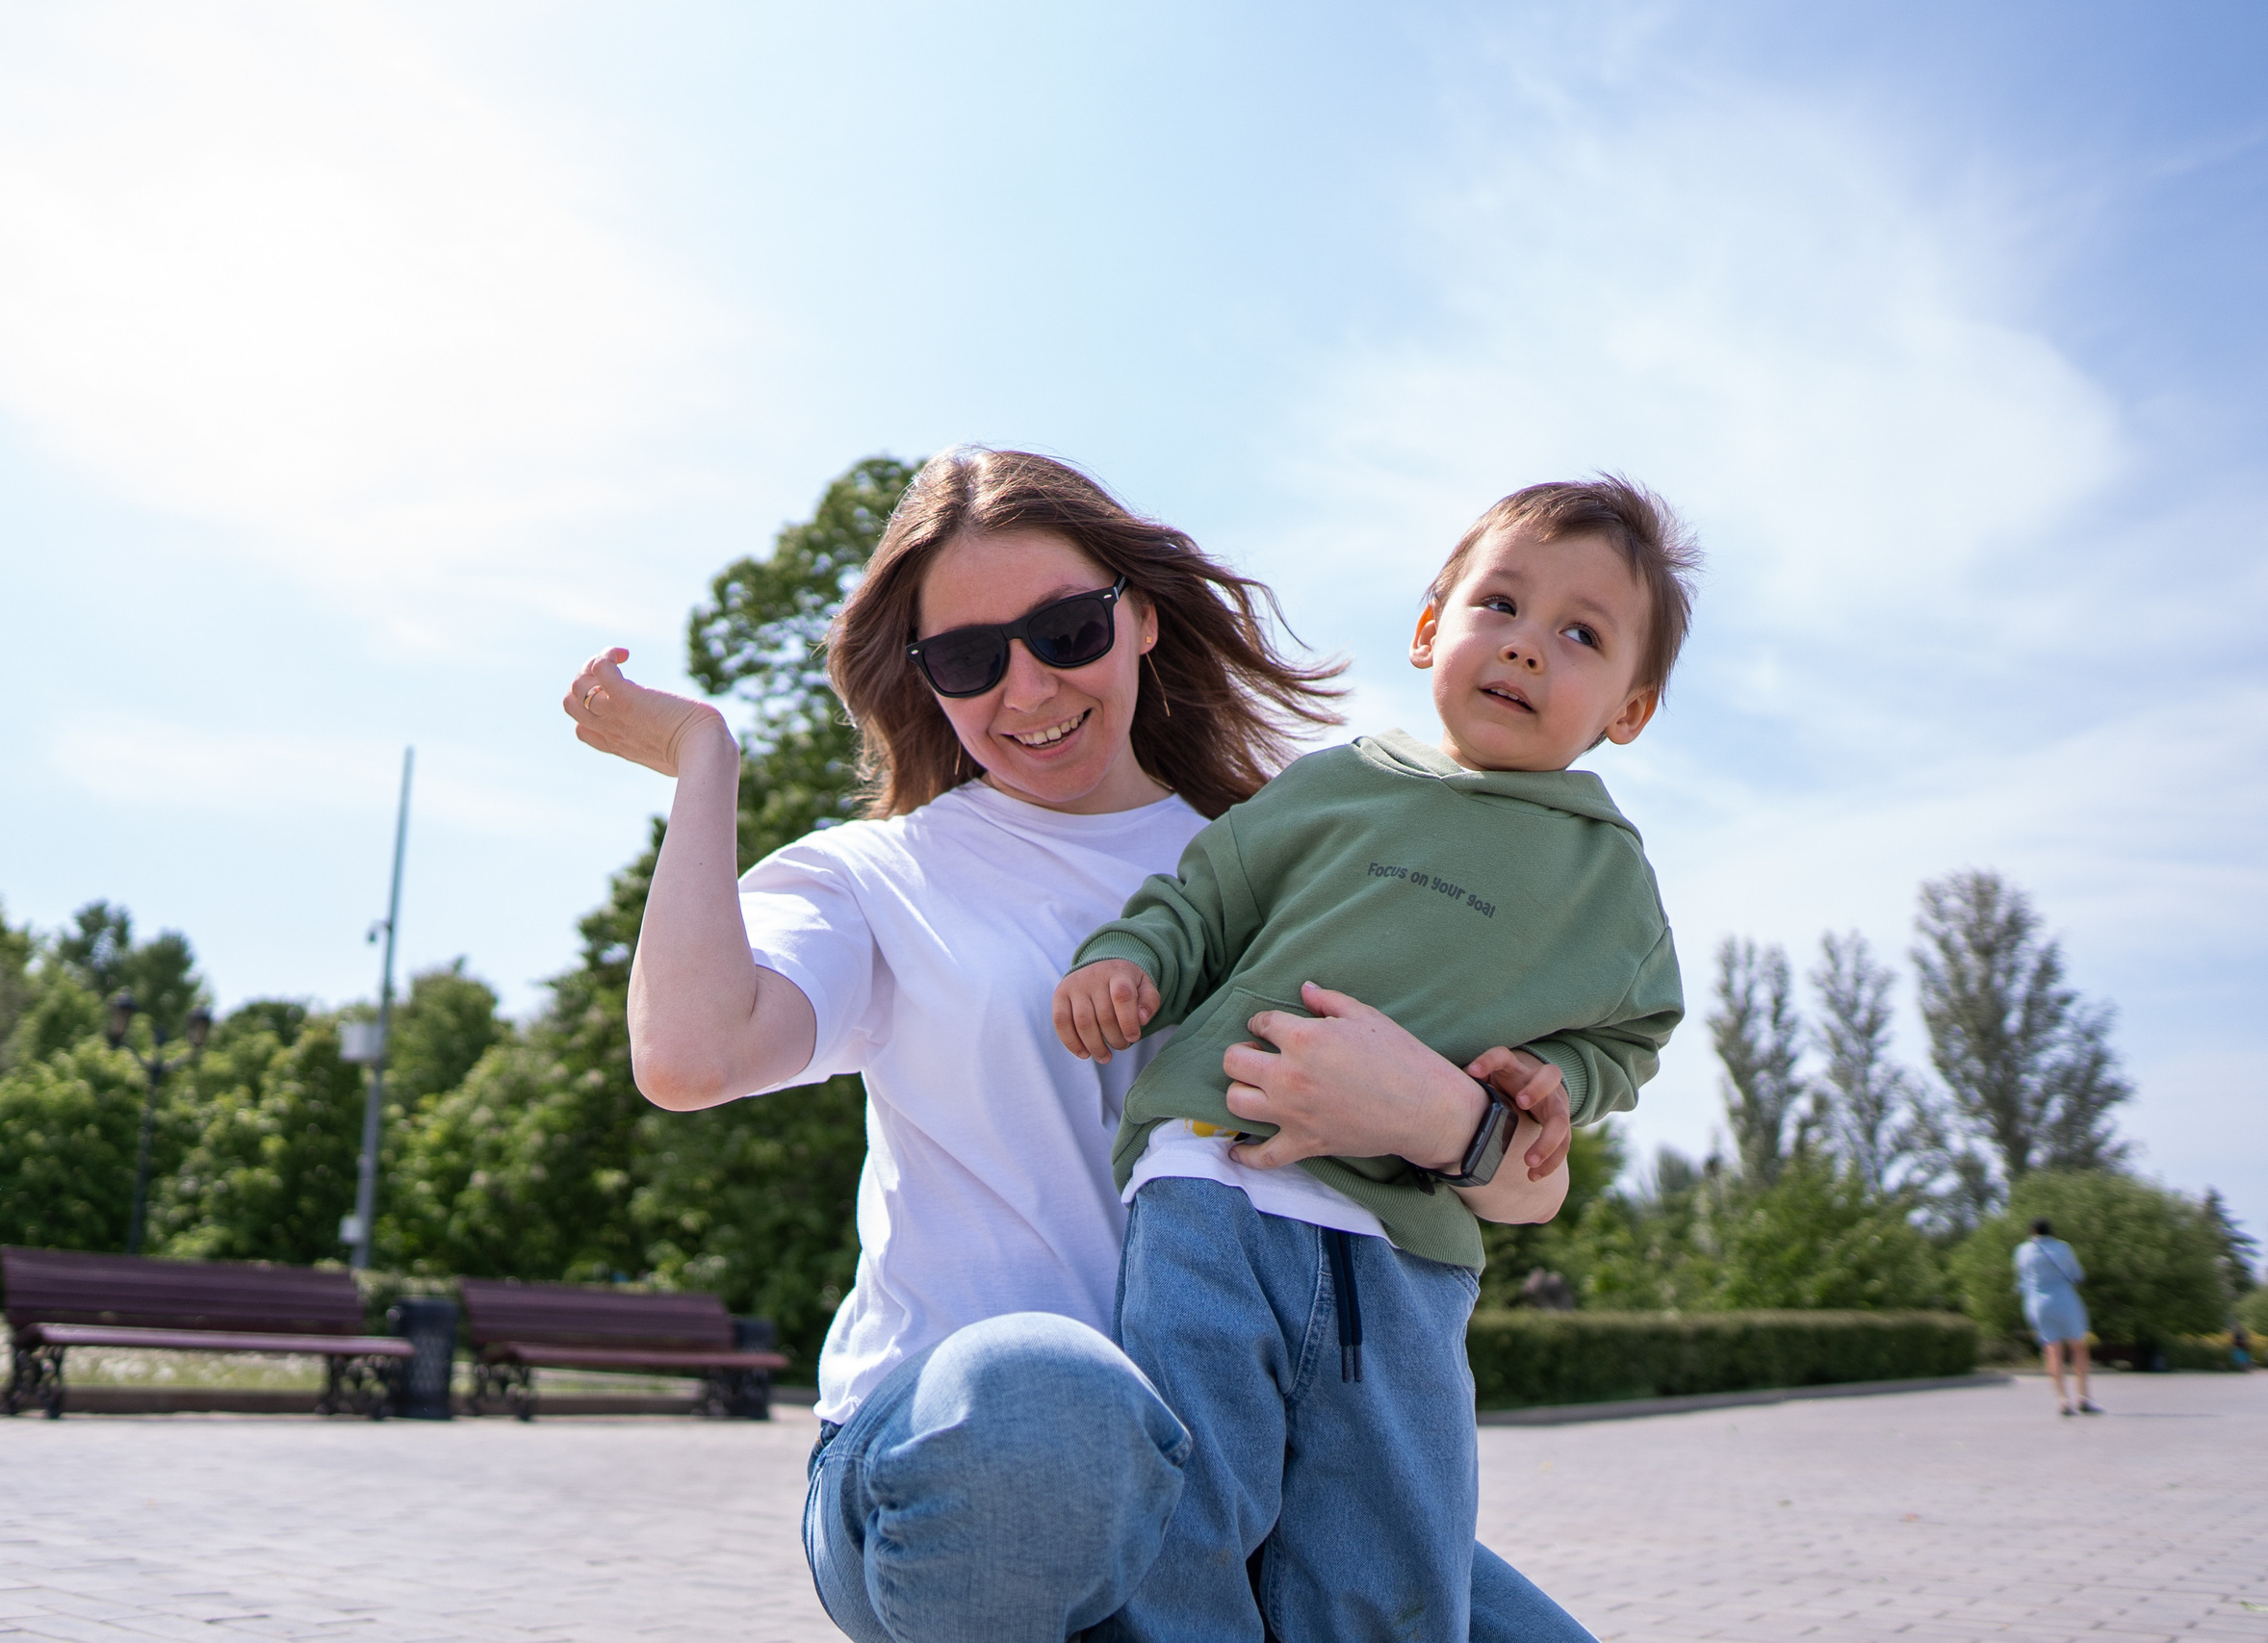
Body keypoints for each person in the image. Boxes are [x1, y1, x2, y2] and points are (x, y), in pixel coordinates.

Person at [564, 448, 1601, 1643]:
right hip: (964, 1466)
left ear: (1140, 619)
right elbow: (690, 1056)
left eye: (1064, 631)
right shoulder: (886, 872)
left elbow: (1532, 1183)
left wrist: (1434, 1118)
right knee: (1054, 1405)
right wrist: (705, 762)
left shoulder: (1288, 860)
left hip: (1251, 1476)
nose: (1025, 689)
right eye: (965, 659)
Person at [1055, 477, 1692, 1639]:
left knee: (1387, 1551)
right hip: (1213, 1189)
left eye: (1581, 634)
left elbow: (1631, 1034)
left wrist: (1563, 1084)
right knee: (1181, 1502)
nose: (1526, 648)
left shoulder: (1608, 879)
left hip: (1408, 1253)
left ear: (1629, 709)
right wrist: (1126, 962)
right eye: (1498, 604)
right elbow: (1195, 904)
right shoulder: (1328, 787)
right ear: (1427, 627)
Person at [2016, 1216, 2100, 1416]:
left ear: (2032, 1232)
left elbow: (2022, 1280)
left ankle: (2062, 1400)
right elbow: (2077, 1275)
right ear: (2051, 1231)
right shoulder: (2063, 1248)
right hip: (2065, 1300)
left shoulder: (2022, 1251)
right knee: (2078, 1347)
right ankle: (2083, 1397)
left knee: (2052, 1350)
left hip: (2037, 1304)